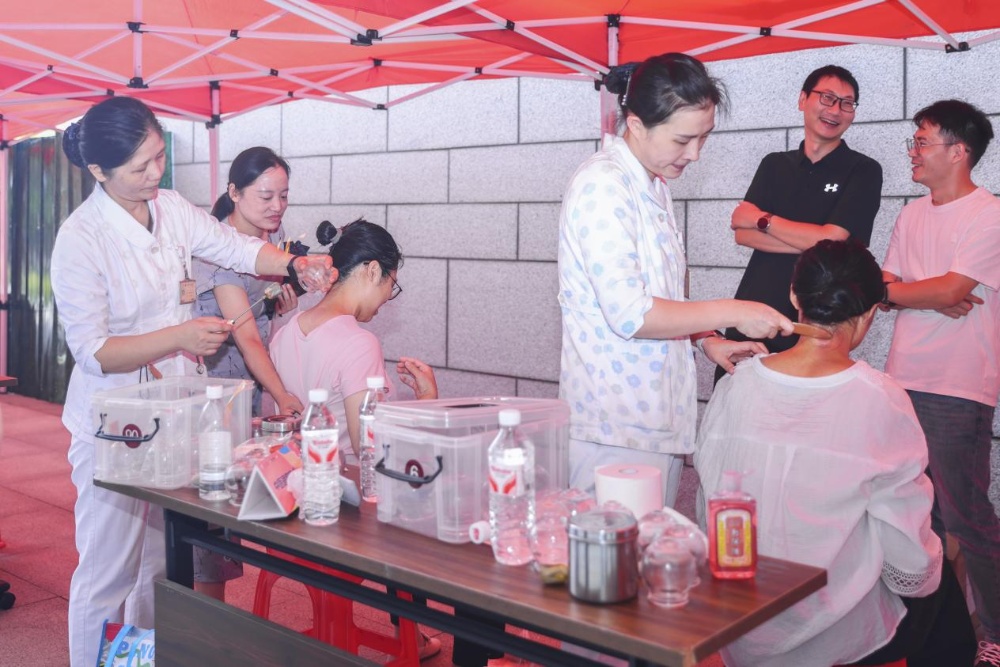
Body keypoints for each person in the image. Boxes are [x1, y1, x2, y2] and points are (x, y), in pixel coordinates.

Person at [50, 96, 334, 667]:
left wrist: (294, 264)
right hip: (114, 425)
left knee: (158, 567)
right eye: (140, 166)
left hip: (173, 416)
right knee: (109, 573)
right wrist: (179, 337)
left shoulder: (172, 208)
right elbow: (94, 351)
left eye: (159, 157)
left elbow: (234, 247)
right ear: (99, 170)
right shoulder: (80, 239)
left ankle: (138, 662)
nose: (154, 173)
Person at [695, 239, 976, 667]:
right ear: (869, 314)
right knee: (943, 590)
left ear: (794, 296)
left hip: (738, 618)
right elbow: (907, 546)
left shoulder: (737, 381)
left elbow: (708, 497)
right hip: (830, 625)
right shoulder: (880, 398)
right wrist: (928, 570)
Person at [557, 52, 793, 508]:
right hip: (615, 426)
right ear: (637, 124)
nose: (695, 154)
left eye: (704, 137)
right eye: (683, 139)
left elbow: (665, 294)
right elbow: (632, 313)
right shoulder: (603, 185)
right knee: (616, 553)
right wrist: (734, 311)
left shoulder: (654, 184)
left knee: (650, 548)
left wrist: (708, 340)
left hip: (654, 419)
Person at [269, 218, 441, 660]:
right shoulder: (358, 342)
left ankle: (399, 632)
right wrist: (427, 402)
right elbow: (373, 449)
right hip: (342, 517)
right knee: (425, 492)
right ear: (370, 270)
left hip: (289, 505)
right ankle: (412, 634)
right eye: (390, 286)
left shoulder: (286, 331)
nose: (385, 300)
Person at [881, 99, 1000, 667]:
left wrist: (926, 292)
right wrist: (922, 293)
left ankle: (994, 632)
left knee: (966, 517)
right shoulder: (910, 215)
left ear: (959, 151)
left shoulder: (989, 214)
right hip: (900, 379)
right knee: (913, 513)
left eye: (923, 141)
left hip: (958, 385)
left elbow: (951, 291)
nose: (913, 151)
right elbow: (882, 285)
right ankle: (932, 633)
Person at [718, 65, 882, 383]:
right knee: (735, 396)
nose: (836, 110)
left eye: (847, 103)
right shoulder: (773, 164)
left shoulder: (863, 170)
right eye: (827, 98)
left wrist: (763, 220)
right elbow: (742, 234)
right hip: (753, 311)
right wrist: (814, 240)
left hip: (816, 324)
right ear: (803, 99)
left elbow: (831, 241)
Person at [194, 146, 302, 417]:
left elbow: (260, 297)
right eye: (266, 196)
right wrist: (282, 395)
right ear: (234, 193)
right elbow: (247, 337)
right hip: (219, 376)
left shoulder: (274, 232)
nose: (277, 206)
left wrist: (276, 304)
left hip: (255, 367)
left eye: (284, 196)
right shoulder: (217, 253)